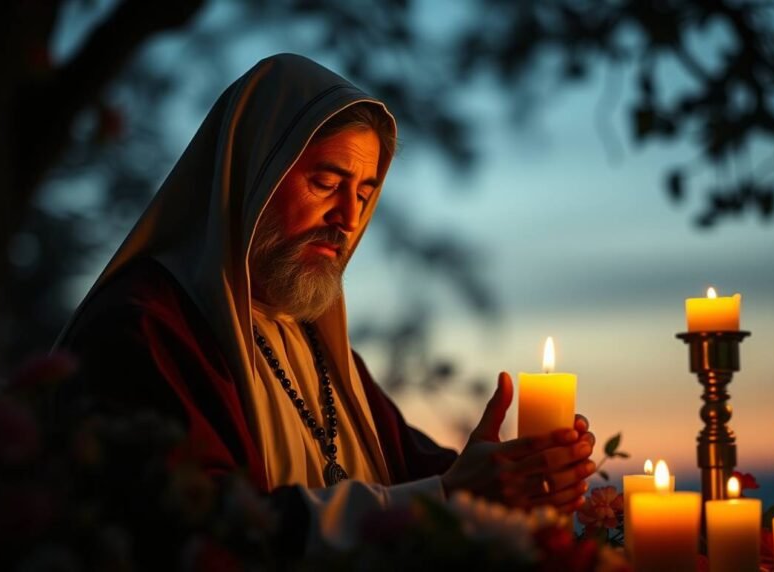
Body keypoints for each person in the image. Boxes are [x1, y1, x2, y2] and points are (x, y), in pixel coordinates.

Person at [55, 53, 596, 551]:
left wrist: (517, 476)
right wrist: (452, 497)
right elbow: (201, 525)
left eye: (363, 193)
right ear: (253, 175)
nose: (348, 218)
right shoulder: (147, 324)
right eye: (325, 182)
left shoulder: (317, 347)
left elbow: (416, 475)